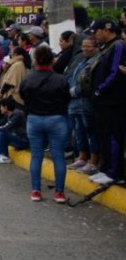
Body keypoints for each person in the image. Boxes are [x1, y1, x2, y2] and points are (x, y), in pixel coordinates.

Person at [19, 45, 71, 203]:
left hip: (34, 119)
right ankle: (59, 193)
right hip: (56, 119)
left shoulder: (28, 79)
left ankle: (35, 191)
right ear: (52, 60)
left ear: (35, 60)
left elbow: (23, 97)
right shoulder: (61, 79)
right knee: (58, 156)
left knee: (36, 156)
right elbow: (66, 98)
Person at [88, 18, 126, 186]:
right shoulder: (106, 48)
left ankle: (114, 172)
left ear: (106, 30)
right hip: (102, 102)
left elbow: (114, 73)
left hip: (112, 101)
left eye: (96, 32)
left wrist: (99, 90)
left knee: (112, 135)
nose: (95, 36)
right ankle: (105, 168)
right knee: (103, 134)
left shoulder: (118, 46)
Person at [65, 35, 99, 174]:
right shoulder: (81, 61)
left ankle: (93, 161)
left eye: (88, 46)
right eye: (83, 46)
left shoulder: (95, 62)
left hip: (86, 103)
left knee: (91, 132)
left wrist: (74, 91)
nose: (85, 49)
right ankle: (82, 157)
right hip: (75, 104)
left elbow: (87, 83)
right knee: (79, 132)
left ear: (96, 48)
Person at [0, 97, 29, 163]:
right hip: (15, 138)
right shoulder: (8, 114)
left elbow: (6, 128)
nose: (0, 108)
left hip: (23, 141)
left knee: (1, 133)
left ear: (6, 107)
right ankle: (0, 154)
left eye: (1, 107)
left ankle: (5, 157)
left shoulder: (17, 114)